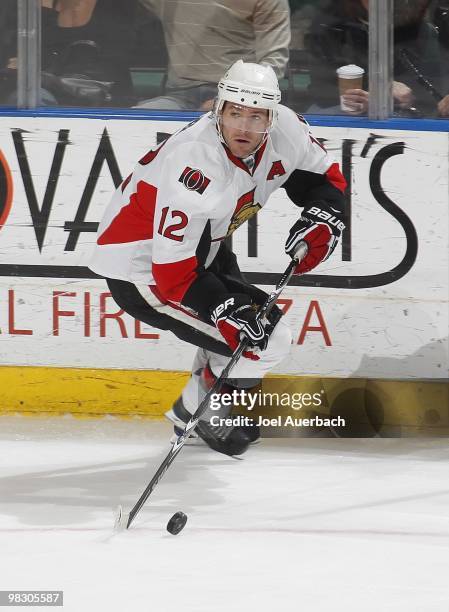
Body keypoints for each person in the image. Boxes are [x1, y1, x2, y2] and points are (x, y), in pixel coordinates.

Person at [89, 60, 346, 456]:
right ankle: (194, 408)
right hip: (144, 271)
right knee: (265, 340)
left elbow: (323, 179)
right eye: (234, 113)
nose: (243, 127)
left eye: (256, 115)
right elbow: (173, 275)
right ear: (218, 110)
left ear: (272, 116)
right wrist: (223, 308)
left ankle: (207, 403)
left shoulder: (287, 129)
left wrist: (325, 216)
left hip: (207, 242)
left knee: (242, 331)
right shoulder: (196, 165)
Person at [134, 0, 291, 110]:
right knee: (132, 124)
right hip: (177, 98)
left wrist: (231, 100)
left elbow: (273, 63)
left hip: (239, 99)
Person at [304, 0, 445, 117]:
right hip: (340, 111)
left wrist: (409, 95)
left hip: (401, 113)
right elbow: (320, 87)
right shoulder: (329, 23)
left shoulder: (418, 27)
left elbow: (434, 87)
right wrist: (371, 94)